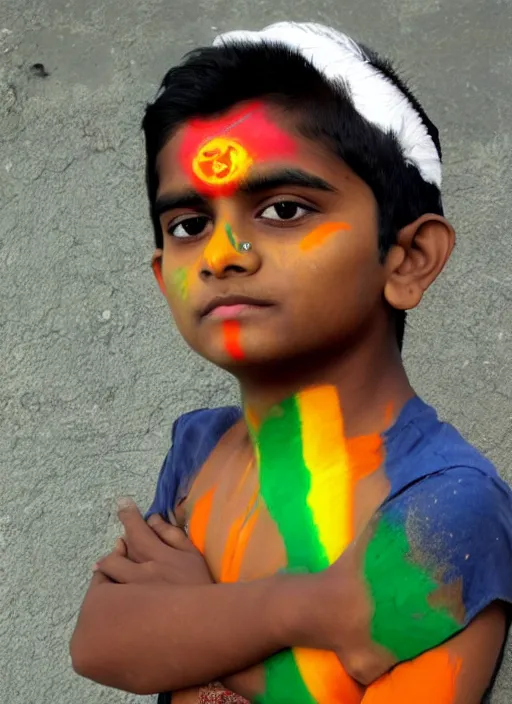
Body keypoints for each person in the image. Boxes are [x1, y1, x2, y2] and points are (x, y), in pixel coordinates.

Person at [70, 21, 512, 704]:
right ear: (163, 277)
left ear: (408, 258)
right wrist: (302, 609)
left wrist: (193, 624)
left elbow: (145, 648)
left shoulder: (446, 506)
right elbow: (100, 642)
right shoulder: (199, 447)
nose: (222, 253)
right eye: (189, 225)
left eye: (283, 209)